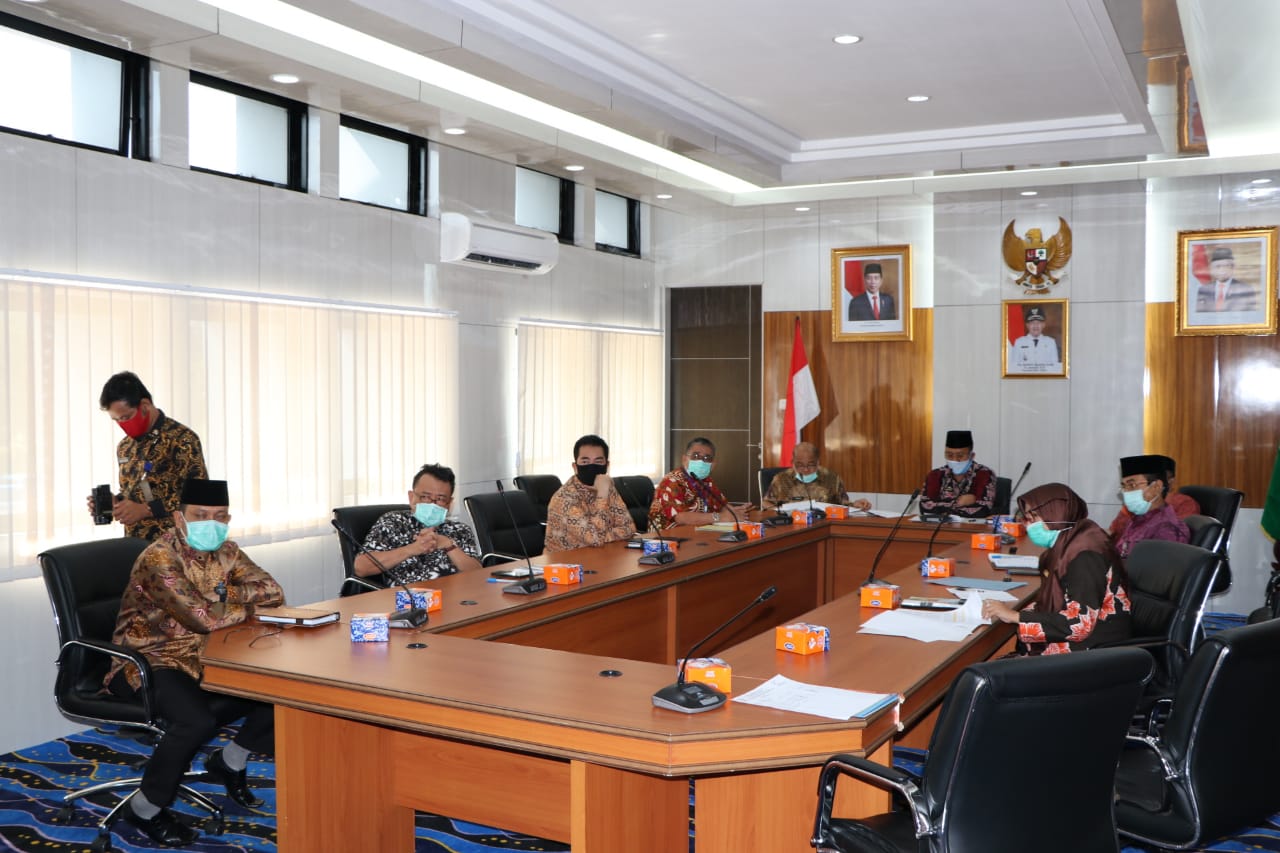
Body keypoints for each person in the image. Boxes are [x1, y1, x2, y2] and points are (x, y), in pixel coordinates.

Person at [104, 478, 284, 846]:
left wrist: (223, 593)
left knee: (279, 686)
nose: (210, 524)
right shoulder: (160, 557)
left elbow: (273, 591)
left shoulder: (226, 550)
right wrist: (244, 607)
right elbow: (202, 618)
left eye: (219, 516)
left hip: (204, 656)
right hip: (148, 660)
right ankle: (144, 808)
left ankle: (230, 761)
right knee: (195, 720)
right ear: (179, 518)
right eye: (200, 515)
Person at [982, 483, 1131, 654]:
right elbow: (1059, 602)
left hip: (1093, 651)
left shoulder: (1085, 557)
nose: (1029, 525)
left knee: (987, 669)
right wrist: (1011, 612)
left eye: (1034, 517)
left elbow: (1079, 625)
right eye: (1027, 518)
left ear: (1057, 514)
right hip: (1083, 644)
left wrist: (1015, 616)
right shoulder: (1070, 543)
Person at [89, 371, 207, 540]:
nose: (122, 424)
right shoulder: (125, 447)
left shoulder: (181, 439)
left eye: (126, 417)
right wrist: (116, 503)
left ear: (144, 405)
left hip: (175, 544)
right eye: (117, 420)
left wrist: (147, 510)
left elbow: (200, 496)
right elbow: (137, 491)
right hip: (136, 545)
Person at [356, 463, 482, 581]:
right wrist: (413, 548)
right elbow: (361, 568)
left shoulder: (460, 530)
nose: (432, 504)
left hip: (456, 594)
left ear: (449, 503)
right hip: (409, 595)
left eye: (440, 499)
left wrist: (449, 545)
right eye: (425, 497)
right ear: (411, 497)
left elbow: (478, 574)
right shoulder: (393, 523)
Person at [544, 434, 637, 550]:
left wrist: (602, 537)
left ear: (607, 466)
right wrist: (602, 495)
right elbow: (595, 539)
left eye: (598, 462)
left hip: (601, 555)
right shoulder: (564, 498)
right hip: (565, 560)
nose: (591, 467)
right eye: (585, 462)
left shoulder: (606, 486)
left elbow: (629, 528)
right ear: (575, 467)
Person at [648, 437, 750, 530]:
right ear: (684, 459)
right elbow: (680, 517)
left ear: (713, 465)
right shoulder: (671, 482)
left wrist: (735, 512)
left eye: (707, 458)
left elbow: (722, 505)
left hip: (699, 532)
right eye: (695, 456)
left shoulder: (706, 481)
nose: (701, 461)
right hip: (667, 538)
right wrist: (720, 517)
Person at [1112, 454, 1190, 558]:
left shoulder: (1166, 530)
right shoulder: (1138, 518)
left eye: (1131, 485)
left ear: (1156, 487)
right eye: (1124, 486)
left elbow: (1156, 567)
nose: (1126, 492)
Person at [763, 441, 870, 511]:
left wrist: (855, 505)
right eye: (800, 465)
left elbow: (843, 504)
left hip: (824, 526)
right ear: (793, 462)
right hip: (790, 526)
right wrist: (779, 512)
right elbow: (766, 503)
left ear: (818, 462)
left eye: (811, 465)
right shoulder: (781, 479)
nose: (805, 469)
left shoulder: (832, 478)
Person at [919, 430, 995, 518]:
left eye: (960, 456)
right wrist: (958, 503)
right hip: (940, 524)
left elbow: (984, 509)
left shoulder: (984, 474)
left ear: (972, 456)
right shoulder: (935, 475)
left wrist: (943, 507)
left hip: (970, 525)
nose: (954, 460)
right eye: (950, 455)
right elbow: (925, 506)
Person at [1194, 247, 1258, 312]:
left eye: (1226, 266)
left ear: (1232, 268)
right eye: (1218, 266)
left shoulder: (1245, 289)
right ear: (1212, 269)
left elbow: (1250, 315)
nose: (1222, 270)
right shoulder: (1203, 290)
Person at [1009, 305, 1060, 371]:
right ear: (1027, 325)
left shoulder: (1051, 342)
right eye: (1032, 323)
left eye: (1039, 323)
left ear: (1043, 325)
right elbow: (1014, 367)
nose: (1035, 326)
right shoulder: (1019, 342)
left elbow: (1055, 368)